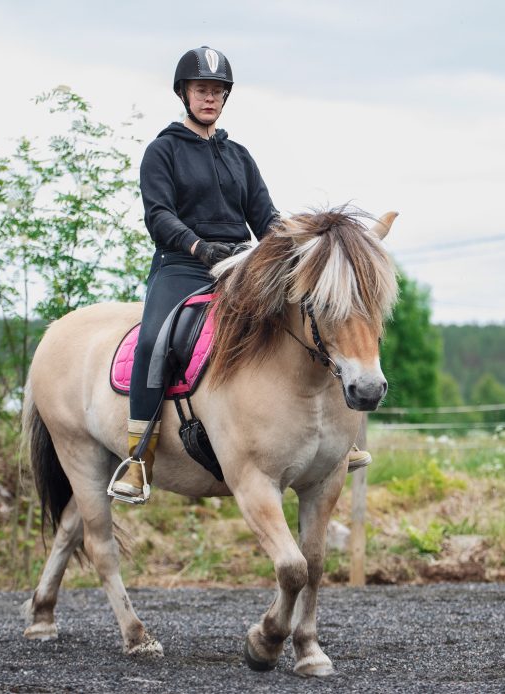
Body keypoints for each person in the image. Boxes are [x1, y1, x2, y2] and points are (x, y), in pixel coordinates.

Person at [110, 46, 370, 502]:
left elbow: (263, 215)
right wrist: (197, 245)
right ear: (184, 93)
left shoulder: (239, 155)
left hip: (241, 266)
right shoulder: (162, 151)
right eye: (201, 89)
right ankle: (137, 458)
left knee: (311, 320)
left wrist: (290, 247)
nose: (209, 98)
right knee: (155, 341)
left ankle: (337, 441)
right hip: (182, 265)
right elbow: (159, 216)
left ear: (225, 98)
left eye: (217, 91)